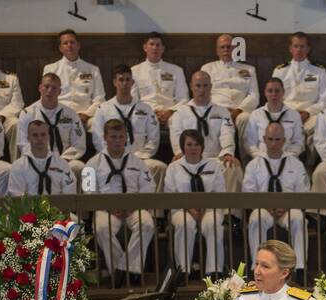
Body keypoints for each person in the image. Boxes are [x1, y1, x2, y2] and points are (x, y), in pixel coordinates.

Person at [84, 119, 157, 288]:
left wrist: (132, 205)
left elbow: (149, 187)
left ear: (126, 138)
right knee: (101, 228)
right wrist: (109, 207)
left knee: (146, 223)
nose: (117, 140)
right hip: (106, 209)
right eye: (113, 136)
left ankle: (126, 270)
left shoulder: (138, 162)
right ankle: (123, 271)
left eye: (121, 136)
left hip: (133, 207)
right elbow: (88, 192)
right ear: (105, 138)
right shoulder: (92, 164)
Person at [242, 122, 312, 273]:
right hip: (264, 208)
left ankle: (300, 268)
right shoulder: (254, 165)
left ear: (284, 140)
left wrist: (286, 206)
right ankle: (257, 267)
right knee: (256, 218)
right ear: (264, 139)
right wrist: (268, 206)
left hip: (288, 208)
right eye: (270, 139)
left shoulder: (295, 164)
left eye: (278, 139)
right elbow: (248, 192)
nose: (274, 143)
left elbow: (303, 191)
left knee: (298, 218)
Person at [164, 129, 228, 278]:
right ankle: (183, 271)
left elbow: (220, 192)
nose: (193, 148)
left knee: (213, 224)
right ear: (182, 147)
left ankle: (214, 271)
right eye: (189, 144)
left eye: (197, 144)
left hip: (210, 208)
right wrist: (190, 209)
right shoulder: (173, 168)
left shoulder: (214, 165)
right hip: (181, 209)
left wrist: (203, 208)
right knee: (184, 224)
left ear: (202, 147)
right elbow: (170, 194)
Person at [92, 66, 165, 187]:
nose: (124, 83)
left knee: (159, 167)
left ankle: (152, 206)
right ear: (115, 82)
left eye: (128, 80)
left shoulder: (145, 109)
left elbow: (153, 138)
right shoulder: (104, 108)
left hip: (140, 157)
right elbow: (98, 138)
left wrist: (139, 156)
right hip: (112, 156)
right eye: (121, 80)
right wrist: (114, 155)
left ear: (132, 82)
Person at [171, 71, 242, 192]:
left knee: (232, 167)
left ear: (211, 87)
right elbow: (177, 135)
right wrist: (179, 152)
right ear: (191, 86)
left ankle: (229, 210)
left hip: (215, 158)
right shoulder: (180, 112)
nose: (202, 90)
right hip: (190, 158)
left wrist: (228, 153)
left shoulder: (222, 111)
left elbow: (227, 134)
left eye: (205, 86)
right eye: (198, 86)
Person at [17, 73, 88, 183]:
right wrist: (43, 158)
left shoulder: (71, 114)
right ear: (40, 88)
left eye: (54, 88)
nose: (50, 91)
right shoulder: (28, 113)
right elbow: (22, 143)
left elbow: (79, 143)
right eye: (46, 86)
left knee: (80, 168)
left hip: (65, 159)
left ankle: (77, 200)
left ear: (59, 92)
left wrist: (63, 159)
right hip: (38, 159)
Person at [275, 31, 326, 152]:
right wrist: (291, 113)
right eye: (296, 46)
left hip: (310, 115)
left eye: (302, 46)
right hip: (287, 112)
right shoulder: (280, 71)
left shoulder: (319, 71)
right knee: (281, 129)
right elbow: (275, 99)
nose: (299, 50)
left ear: (308, 49)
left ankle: (309, 164)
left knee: (318, 126)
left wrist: (307, 112)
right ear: (290, 48)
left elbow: (325, 102)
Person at [201, 33, 260, 144]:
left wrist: (238, 110)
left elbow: (254, 95)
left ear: (234, 49)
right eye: (222, 47)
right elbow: (203, 94)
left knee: (246, 118)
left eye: (229, 47)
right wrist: (221, 109)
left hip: (240, 110)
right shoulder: (207, 68)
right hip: (216, 109)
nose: (226, 49)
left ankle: (246, 157)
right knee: (212, 118)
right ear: (217, 50)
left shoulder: (248, 69)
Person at [43, 30, 104, 129]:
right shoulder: (51, 69)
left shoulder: (93, 69)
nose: (69, 45)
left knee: (99, 124)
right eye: (65, 43)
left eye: (72, 42)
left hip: (86, 116)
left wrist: (86, 115)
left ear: (78, 45)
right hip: (59, 114)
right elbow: (47, 97)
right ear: (60, 48)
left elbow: (100, 99)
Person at [130, 32, 189, 134]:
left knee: (181, 122)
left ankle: (179, 150)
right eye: (151, 44)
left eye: (158, 45)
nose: (155, 48)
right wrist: (151, 112)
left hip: (170, 113)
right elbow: (133, 99)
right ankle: (141, 150)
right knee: (137, 121)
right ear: (145, 47)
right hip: (145, 112)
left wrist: (170, 111)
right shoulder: (135, 71)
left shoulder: (176, 70)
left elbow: (184, 99)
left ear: (162, 49)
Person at [7, 119, 78, 196]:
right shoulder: (18, 166)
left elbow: (70, 192)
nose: (40, 138)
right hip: (29, 207)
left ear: (48, 136)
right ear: (28, 138)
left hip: (58, 206)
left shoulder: (62, 164)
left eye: (43, 134)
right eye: (35, 135)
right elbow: (16, 194)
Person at [243, 78, 306, 160]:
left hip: (288, 159)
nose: (273, 94)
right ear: (265, 93)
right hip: (261, 158)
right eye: (270, 91)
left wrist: (287, 156)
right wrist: (260, 157)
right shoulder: (256, 115)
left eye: (277, 91)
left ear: (283, 92)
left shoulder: (294, 115)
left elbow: (299, 142)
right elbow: (250, 143)